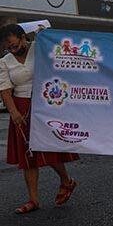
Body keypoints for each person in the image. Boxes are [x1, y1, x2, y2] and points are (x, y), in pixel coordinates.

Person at [0, 23, 78, 214]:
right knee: (29, 156)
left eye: (14, 44)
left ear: (22, 37)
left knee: (47, 149)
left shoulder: (40, 46)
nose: (12, 48)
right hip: (21, 108)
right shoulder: (5, 61)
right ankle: (33, 200)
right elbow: (5, 89)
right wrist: (14, 113)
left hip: (46, 104)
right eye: (8, 46)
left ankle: (66, 181)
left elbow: (61, 55)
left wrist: (47, 35)